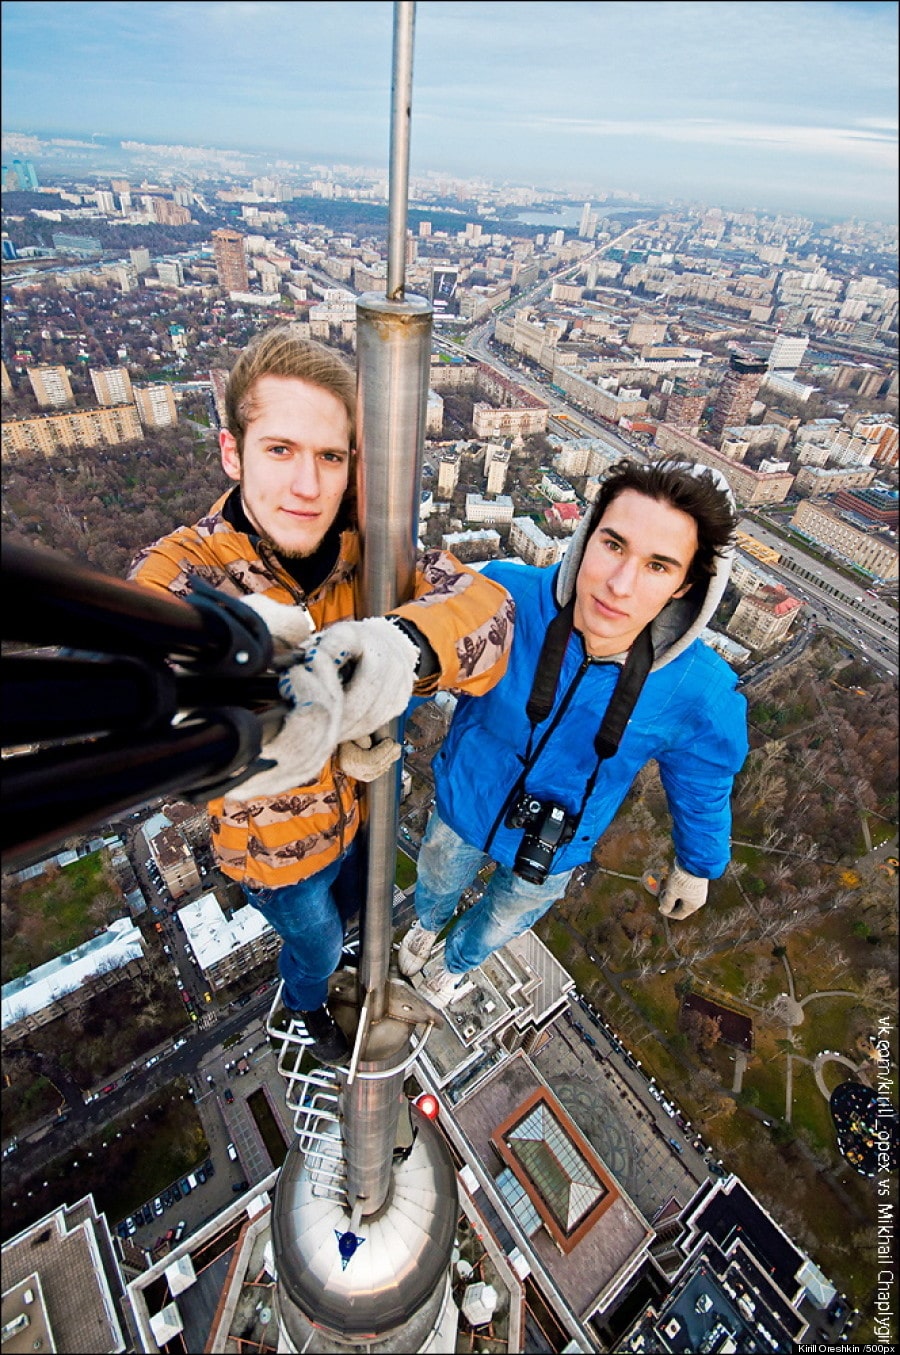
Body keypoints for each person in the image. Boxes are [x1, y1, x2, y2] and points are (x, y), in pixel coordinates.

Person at [129, 326, 514, 1062]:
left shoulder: (371, 558)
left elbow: (490, 612)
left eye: (330, 457)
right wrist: (248, 678)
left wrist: (405, 648)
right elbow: (146, 660)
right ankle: (303, 1007)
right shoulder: (190, 571)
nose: (308, 486)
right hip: (276, 857)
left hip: (360, 819)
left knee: (356, 914)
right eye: (280, 449)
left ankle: (328, 973)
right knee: (318, 945)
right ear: (231, 453)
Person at [398, 457, 749, 1008]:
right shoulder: (504, 598)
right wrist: (373, 726)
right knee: (437, 879)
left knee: (500, 921)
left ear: (686, 585)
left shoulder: (698, 690)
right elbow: (415, 655)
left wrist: (696, 865)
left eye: (658, 566)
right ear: (586, 538)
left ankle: (452, 962)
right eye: (613, 545)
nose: (619, 585)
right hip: (465, 797)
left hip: (554, 846)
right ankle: (426, 925)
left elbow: (704, 781)